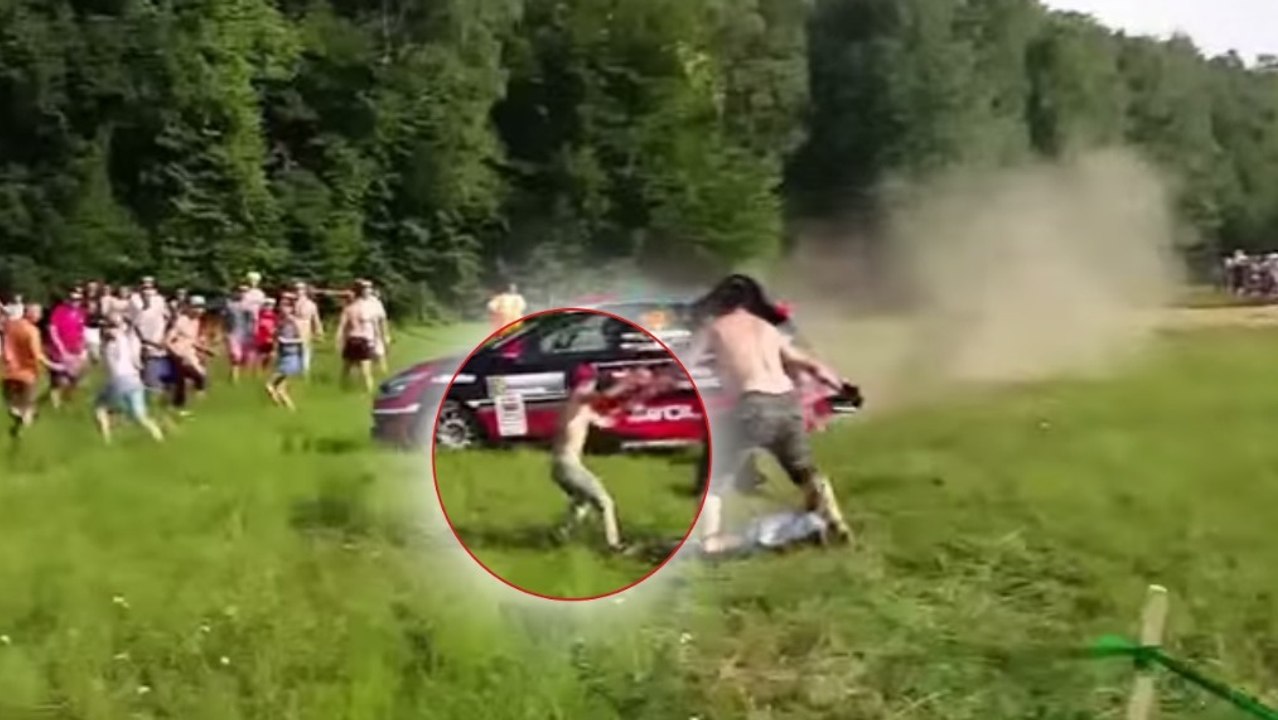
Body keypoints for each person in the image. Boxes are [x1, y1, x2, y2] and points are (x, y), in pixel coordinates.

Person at [684, 274, 854, 543]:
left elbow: (683, 365)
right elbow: (810, 364)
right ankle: (835, 520)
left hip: (752, 405)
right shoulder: (768, 328)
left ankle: (711, 540)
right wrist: (841, 386)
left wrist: (651, 382)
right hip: (787, 404)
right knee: (805, 471)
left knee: (713, 479)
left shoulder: (715, 328)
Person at [549, 364, 658, 552]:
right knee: (604, 502)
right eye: (591, 382)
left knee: (582, 501)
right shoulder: (574, 401)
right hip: (567, 465)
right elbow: (604, 397)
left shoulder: (581, 408)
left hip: (562, 466)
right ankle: (614, 546)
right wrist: (629, 380)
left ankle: (561, 535)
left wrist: (635, 400)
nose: (593, 386)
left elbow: (607, 421)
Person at [94, 317, 165, 444]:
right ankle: (159, 438)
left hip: (120, 381)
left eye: (110, 326)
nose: (107, 329)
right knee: (140, 417)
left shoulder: (115, 341)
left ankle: (106, 441)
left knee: (100, 408)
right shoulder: (123, 340)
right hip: (134, 380)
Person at [695, 494, 831, 558]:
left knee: (744, 539)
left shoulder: (808, 520)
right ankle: (709, 545)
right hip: (763, 533)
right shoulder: (805, 519)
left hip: (761, 535)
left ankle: (710, 546)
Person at [3, 304, 59, 439]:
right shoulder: (32, 331)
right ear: (29, 313)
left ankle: (16, 428)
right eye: (38, 313)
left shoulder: (11, 325)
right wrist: (53, 365)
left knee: (11, 403)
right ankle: (24, 429)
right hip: (28, 375)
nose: (40, 316)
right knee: (28, 407)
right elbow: (37, 354)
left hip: (9, 372)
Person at [164, 296, 214, 416]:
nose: (200, 311)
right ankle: (183, 406)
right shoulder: (181, 321)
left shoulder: (196, 321)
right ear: (189, 307)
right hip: (179, 355)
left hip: (190, 354)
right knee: (198, 376)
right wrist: (176, 355)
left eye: (202, 308)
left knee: (188, 381)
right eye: (197, 307)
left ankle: (178, 407)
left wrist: (205, 350)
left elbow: (192, 341)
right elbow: (167, 341)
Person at [336, 280, 387, 394]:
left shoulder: (354, 308)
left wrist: (338, 339)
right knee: (356, 369)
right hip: (358, 340)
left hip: (358, 340)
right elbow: (342, 326)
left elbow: (341, 326)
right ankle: (350, 389)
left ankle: (352, 389)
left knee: (356, 369)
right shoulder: (355, 308)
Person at [46, 288, 89, 410]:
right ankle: (56, 405)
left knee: (76, 376)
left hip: (75, 349)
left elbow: (81, 331)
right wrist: (61, 349)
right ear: (68, 299)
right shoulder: (59, 311)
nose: (76, 301)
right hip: (58, 350)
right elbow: (52, 330)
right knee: (57, 379)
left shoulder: (81, 313)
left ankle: (67, 397)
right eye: (73, 299)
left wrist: (83, 347)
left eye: (78, 299)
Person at [266, 294, 305, 411]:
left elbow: (301, 340)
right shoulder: (280, 322)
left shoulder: (293, 322)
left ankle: (281, 407)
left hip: (291, 358)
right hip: (283, 358)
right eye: (281, 305)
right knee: (281, 390)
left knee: (269, 386)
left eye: (285, 306)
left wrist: (285, 341)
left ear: (291, 308)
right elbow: (276, 338)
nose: (282, 308)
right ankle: (290, 411)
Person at [132, 285, 172, 395]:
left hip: (161, 343)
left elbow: (170, 320)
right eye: (144, 295)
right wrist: (152, 343)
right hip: (148, 346)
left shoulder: (159, 305)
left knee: (165, 372)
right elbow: (138, 332)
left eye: (149, 295)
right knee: (149, 372)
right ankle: (149, 387)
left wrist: (165, 337)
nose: (147, 298)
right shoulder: (138, 312)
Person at [223, 284, 257, 383]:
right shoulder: (230, 305)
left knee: (244, 357)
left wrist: (252, 331)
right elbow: (225, 319)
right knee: (236, 356)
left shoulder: (249, 306)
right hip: (232, 333)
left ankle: (236, 376)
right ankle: (234, 379)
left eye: (245, 291)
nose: (243, 293)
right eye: (241, 291)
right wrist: (224, 331)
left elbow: (252, 320)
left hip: (245, 333)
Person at [293, 281, 324, 379]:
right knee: (293, 354)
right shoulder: (292, 303)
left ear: (305, 291)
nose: (298, 291)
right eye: (297, 289)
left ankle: (304, 374)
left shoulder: (311, 304)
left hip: (305, 331)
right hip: (292, 332)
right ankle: (293, 374)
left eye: (301, 289)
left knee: (305, 354)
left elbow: (316, 319)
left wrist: (319, 332)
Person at [254, 297, 279, 375]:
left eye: (271, 305)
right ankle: (259, 373)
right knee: (261, 357)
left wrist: (274, 333)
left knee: (271, 356)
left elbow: (276, 327)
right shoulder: (259, 315)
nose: (269, 307)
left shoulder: (275, 316)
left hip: (270, 339)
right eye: (267, 305)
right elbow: (256, 326)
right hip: (260, 338)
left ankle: (265, 370)